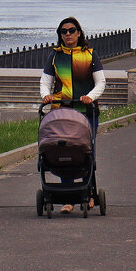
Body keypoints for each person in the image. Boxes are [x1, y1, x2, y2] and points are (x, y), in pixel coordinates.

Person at [39, 16, 105, 212]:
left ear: (79, 33)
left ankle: (88, 193)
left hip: (86, 111)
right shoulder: (55, 56)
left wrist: (90, 97)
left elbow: (100, 82)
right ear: (60, 35)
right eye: (63, 31)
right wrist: (46, 96)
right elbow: (46, 80)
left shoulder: (89, 55)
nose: (67, 34)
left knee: (85, 151)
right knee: (63, 149)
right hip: (62, 111)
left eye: (71, 30)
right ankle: (68, 196)